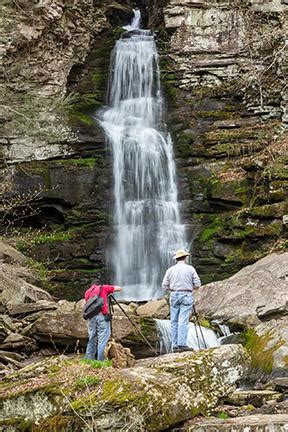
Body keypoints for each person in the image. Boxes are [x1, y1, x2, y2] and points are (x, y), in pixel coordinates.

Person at [162, 249, 201, 353]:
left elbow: (164, 285)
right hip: (186, 294)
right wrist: (190, 287)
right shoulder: (190, 268)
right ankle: (182, 344)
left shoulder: (170, 270)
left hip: (174, 295)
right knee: (183, 320)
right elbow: (197, 284)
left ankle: (174, 345)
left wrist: (173, 289)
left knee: (174, 321)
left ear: (176, 259)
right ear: (185, 257)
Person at [85, 280, 122, 361]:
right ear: (100, 284)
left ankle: (88, 360)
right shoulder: (103, 287)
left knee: (92, 338)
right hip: (101, 316)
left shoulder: (87, 292)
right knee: (103, 338)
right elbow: (119, 288)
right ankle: (101, 361)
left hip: (91, 317)